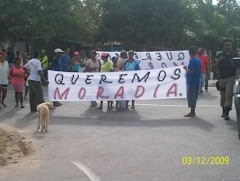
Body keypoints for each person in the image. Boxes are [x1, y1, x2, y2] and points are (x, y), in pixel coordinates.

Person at [216, 40, 238, 120]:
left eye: (230, 45)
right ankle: (223, 110)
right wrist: (219, 60)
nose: (228, 47)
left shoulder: (234, 55)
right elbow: (215, 66)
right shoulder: (219, 55)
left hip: (231, 78)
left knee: (228, 95)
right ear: (224, 46)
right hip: (221, 78)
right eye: (227, 45)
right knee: (223, 96)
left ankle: (226, 113)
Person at [183, 46, 201, 117]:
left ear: (190, 53)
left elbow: (191, 71)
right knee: (194, 96)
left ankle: (192, 112)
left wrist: (186, 69)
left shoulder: (192, 60)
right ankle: (192, 111)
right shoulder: (198, 60)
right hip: (197, 80)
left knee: (191, 96)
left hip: (192, 81)